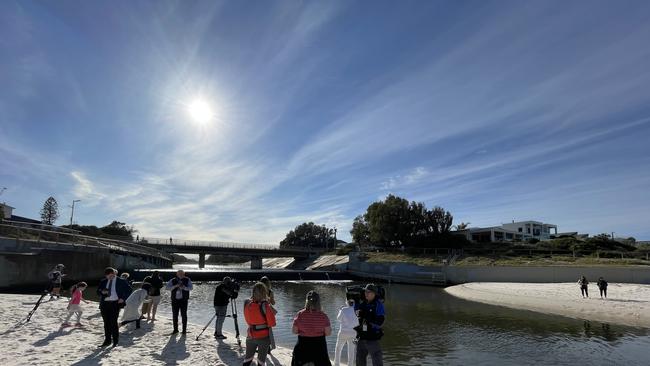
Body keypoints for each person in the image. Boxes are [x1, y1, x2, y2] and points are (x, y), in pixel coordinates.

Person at [291, 290, 332, 366]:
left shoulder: (300, 314)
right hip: (319, 349)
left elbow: (294, 331)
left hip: (302, 348)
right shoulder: (323, 316)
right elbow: (328, 333)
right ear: (318, 301)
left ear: (306, 301)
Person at [243, 282, 276, 366]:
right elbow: (272, 323)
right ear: (264, 293)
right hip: (263, 337)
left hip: (250, 334)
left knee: (248, 359)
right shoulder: (265, 305)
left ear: (253, 292)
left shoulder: (247, 303)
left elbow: (247, 320)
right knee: (261, 361)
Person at [97, 267, 132, 347]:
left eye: (112, 275)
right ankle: (107, 341)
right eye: (109, 276)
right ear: (106, 275)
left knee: (113, 323)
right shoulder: (103, 281)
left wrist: (123, 298)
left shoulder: (121, 281)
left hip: (115, 304)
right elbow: (98, 292)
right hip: (104, 304)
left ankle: (115, 341)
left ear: (114, 274)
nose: (111, 277)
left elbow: (129, 290)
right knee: (106, 323)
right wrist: (102, 292)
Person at [355, 284, 385, 366]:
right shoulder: (363, 303)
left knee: (376, 358)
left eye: (369, 292)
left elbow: (380, 322)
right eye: (365, 291)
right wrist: (356, 304)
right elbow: (357, 314)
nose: (366, 293)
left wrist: (368, 317)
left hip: (372, 337)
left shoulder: (378, 305)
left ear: (374, 293)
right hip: (362, 336)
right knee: (360, 358)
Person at [166, 270, 193, 334]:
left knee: (184, 315)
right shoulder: (173, 280)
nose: (180, 274)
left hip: (184, 300)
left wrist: (184, 287)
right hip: (175, 300)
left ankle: (184, 330)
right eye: (179, 273)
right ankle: (175, 330)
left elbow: (191, 288)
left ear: (184, 274)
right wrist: (175, 286)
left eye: (182, 273)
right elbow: (167, 288)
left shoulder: (187, 279)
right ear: (177, 274)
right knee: (175, 315)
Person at [335, 298, 357, 366]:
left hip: (343, 332)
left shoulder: (344, 309)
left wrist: (340, 310)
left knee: (338, 349)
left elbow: (338, 319)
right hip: (353, 333)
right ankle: (350, 365)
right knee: (351, 351)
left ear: (347, 302)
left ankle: (336, 364)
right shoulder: (357, 310)